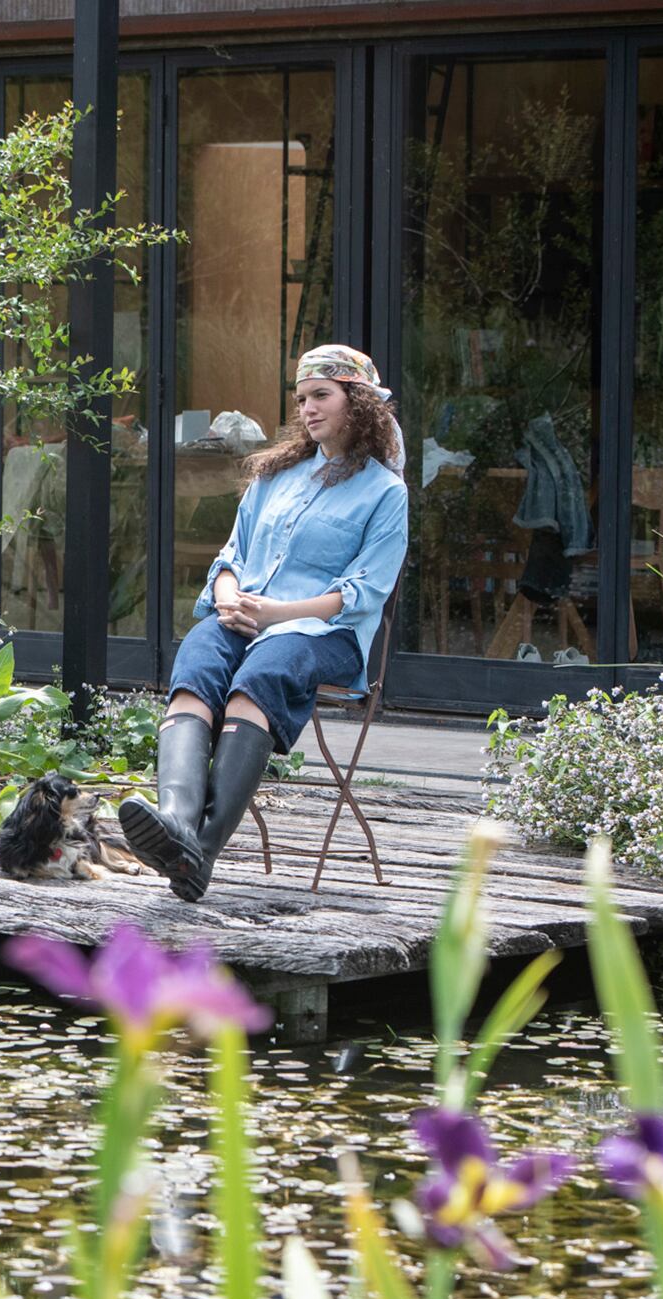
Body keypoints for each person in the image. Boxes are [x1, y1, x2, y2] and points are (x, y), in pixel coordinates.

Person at [120, 345, 409, 902]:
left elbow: (363, 592)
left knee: (263, 673)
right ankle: (176, 823)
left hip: (322, 634)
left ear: (359, 402)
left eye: (321, 395)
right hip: (245, 616)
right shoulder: (275, 476)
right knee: (198, 658)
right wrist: (227, 596)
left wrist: (277, 613)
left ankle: (199, 850)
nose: (307, 408)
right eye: (301, 399)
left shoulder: (384, 492)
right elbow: (231, 555)